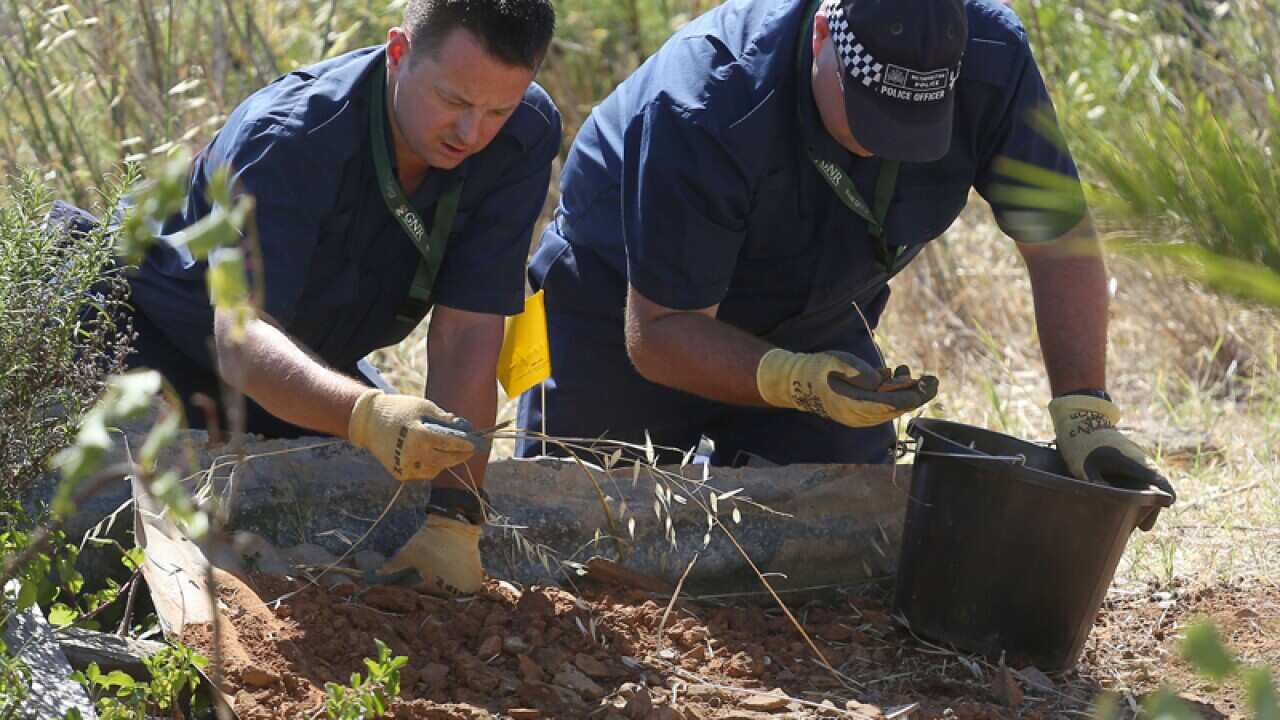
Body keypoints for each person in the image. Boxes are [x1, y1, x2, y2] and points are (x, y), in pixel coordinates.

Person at [516, 0, 1170, 495]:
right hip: (619, 309)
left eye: (915, 125)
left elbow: (1058, 242)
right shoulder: (707, 96)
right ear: (823, 36)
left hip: (810, 317)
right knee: (582, 523)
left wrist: (1084, 414)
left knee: (840, 526)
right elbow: (657, 334)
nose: (886, 145)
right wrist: (794, 381)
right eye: (870, 112)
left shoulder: (991, 55)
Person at [122, 0, 560, 596]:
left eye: (497, 110)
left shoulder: (524, 133)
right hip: (152, 338)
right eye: (453, 101)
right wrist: (364, 416)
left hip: (304, 365)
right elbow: (240, 336)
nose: (472, 133)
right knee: (133, 527)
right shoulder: (288, 135)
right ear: (399, 52)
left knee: (381, 500)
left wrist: (454, 519)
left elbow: (467, 330)